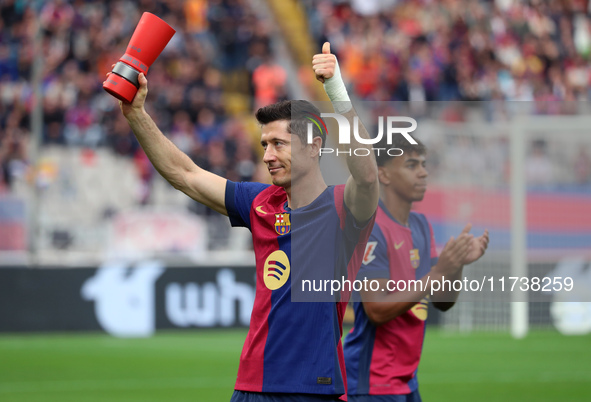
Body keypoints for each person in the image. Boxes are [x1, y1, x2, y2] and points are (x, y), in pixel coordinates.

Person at [108, 42, 379, 401]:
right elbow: (185, 174)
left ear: (314, 147)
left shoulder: (344, 209)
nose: (267, 155)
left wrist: (336, 91)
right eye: (264, 144)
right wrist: (136, 114)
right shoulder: (259, 202)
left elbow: (368, 177)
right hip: (252, 386)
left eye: (279, 144)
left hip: (316, 388)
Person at [343, 137, 489, 402]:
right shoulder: (372, 227)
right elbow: (375, 310)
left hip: (406, 380)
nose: (423, 172)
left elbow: (442, 302)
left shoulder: (421, 224)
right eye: (411, 165)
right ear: (383, 174)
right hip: (370, 384)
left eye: (423, 164)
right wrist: (436, 274)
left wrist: (455, 266)